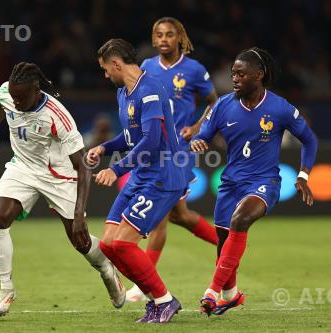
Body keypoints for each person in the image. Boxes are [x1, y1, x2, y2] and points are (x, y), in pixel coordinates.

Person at [0, 62, 125, 317]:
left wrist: (80, 214)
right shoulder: (8, 93)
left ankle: (105, 267)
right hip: (23, 168)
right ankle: (6, 289)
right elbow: (0, 103)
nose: (15, 101)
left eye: (21, 97)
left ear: (36, 90)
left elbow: (82, 167)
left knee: (80, 241)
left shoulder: (57, 115)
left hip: (59, 176)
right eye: (13, 96)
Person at [190, 47, 318, 316]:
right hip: (231, 184)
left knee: (240, 220)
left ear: (258, 75)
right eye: (233, 74)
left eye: (240, 74)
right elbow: (203, 134)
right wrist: (199, 140)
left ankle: (211, 293)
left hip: (264, 182)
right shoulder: (223, 105)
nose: (234, 79)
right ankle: (231, 295)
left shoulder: (279, 107)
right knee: (224, 244)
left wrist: (304, 174)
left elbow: (309, 139)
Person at [87, 39, 185, 323]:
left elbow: (153, 141)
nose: (106, 75)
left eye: (106, 69)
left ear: (117, 64)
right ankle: (156, 300)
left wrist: (116, 170)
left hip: (162, 175)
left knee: (123, 245)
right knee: (108, 245)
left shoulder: (151, 89)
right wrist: (105, 148)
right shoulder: (123, 92)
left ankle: (164, 300)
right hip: (142, 174)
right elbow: (131, 138)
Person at [126, 17, 219, 302]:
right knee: (179, 214)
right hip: (153, 149)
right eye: (159, 35)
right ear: (153, 40)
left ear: (180, 38)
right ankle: (226, 242)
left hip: (177, 151)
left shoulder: (194, 70)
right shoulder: (146, 69)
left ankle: (144, 284)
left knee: (160, 217)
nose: (164, 39)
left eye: (169, 34)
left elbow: (214, 102)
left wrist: (198, 127)